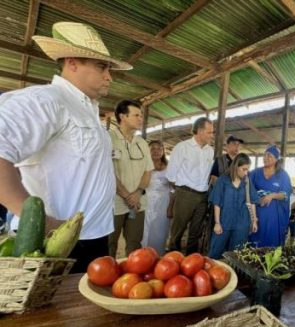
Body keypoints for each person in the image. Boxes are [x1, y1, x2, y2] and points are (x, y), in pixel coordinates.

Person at [0, 22, 132, 273]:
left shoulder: (88, 112)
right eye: (102, 66)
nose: (109, 76)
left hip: (93, 237)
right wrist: (42, 223)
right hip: (54, 243)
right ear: (72, 62)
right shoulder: (45, 100)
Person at [108, 100, 153, 257]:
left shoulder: (142, 143)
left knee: (135, 243)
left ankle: (131, 278)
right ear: (123, 116)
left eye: (141, 115)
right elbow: (106, 172)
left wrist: (138, 192)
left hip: (137, 202)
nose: (141, 118)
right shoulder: (108, 138)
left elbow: (148, 171)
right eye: (136, 115)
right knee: (109, 243)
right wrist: (127, 195)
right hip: (114, 203)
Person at [166, 117, 214, 254]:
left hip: (203, 196)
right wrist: (182, 192)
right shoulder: (182, 148)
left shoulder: (209, 150)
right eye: (210, 132)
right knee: (177, 231)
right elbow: (171, 176)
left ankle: (191, 263)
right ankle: (172, 261)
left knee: (196, 233)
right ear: (199, 131)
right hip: (185, 194)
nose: (212, 135)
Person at [209, 154, 258, 259]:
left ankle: (234, 274)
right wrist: (217, 223)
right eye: (244, 169)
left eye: (248, 170)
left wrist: (254, 221)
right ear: (236, 167)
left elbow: (252, 202)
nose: (246, 172)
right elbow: (216, 202)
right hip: (224, 222)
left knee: (237, 255)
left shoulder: (247, 181)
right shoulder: (223, 180)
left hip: (242, 224)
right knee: (215, 252)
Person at [248, 145, 292, 247]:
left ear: (276, 159)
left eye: (269, 156)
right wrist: (258, 196)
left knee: (271, 243)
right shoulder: (255, 173)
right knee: (255, 241)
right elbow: (247, 190)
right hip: (257, 215)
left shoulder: (282, 175)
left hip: (274, 217)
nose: (265, 158)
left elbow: (285, 194)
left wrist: (271, 196)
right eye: (265, 155)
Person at [142, 140, 172, 255]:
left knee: (161, 231)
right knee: (146, 230)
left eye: (159, 148)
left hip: (163, 204)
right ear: (148, 151)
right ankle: (145, 255)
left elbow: (173, 189)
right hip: (146, 202)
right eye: (153, 149)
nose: (156, 151)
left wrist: (170, 207)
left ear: (163, 151)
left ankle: (158, 255)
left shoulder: (169, 166)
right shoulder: (143, 165)